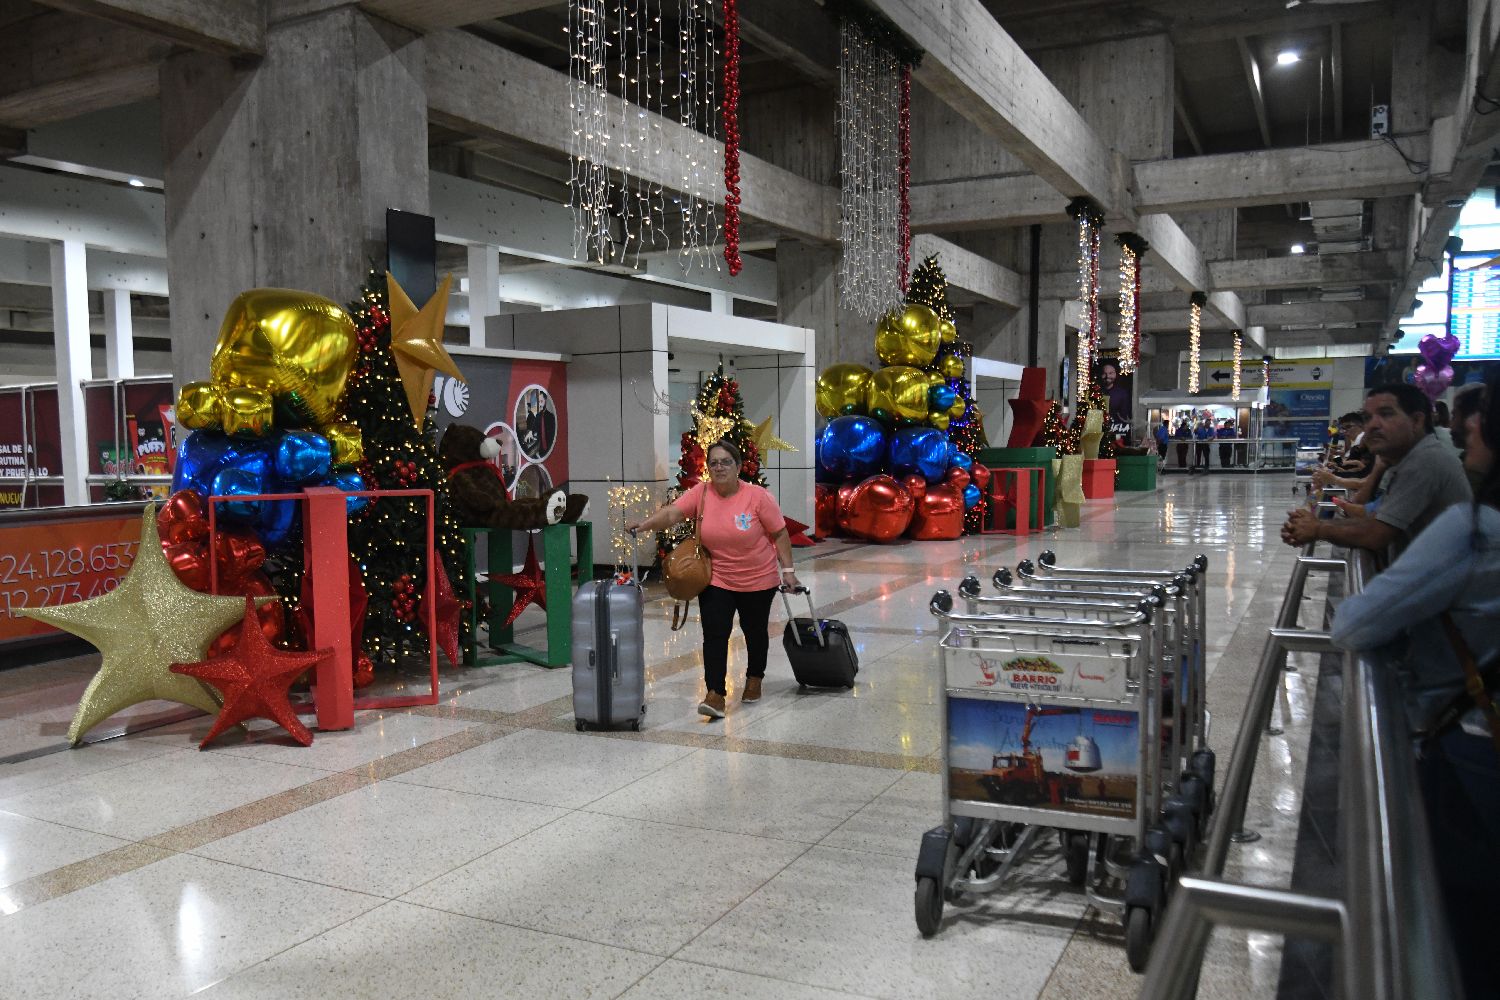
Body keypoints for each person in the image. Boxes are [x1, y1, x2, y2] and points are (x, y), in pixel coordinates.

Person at [1330, 373, 1500, 1000]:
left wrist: (1322, 528)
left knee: (1463, 918)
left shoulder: (1473, 527)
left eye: (1484, 413)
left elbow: (1356, 622)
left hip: (1469, 740)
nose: (1469, 424)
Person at [625, 439, 801, 719]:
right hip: (716, 577)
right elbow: (672, 513)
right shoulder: (702, 493)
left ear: (738, 466)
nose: (719, 468)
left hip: (758, 578)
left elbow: (779, 533)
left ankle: (755, 677)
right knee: (715, 634)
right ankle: (715, 693)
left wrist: (788, 571)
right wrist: (645, 525)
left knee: (755, 632)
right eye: (714, 463)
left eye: (726, 462)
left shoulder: (758, 497)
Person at [1281, 383, 1471, 560]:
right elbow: (1374, 516)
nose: (1372, 425)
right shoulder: (1402, 460)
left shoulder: (1425, 461)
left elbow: (1376, 533)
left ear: (1416, 420)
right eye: (1368, 418)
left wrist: (1318, 528)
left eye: (1386, 414)